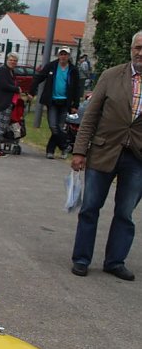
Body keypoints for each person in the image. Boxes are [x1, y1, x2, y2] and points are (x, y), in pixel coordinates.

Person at [69, 31, 142, 281]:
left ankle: (115, 261)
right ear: (131, 49)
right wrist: (80, 150)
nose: (140, 53)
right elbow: (90, 116)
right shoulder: (111, 75)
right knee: (90, 207)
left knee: (125, 212)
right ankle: (81, 258)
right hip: (102, 150)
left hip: (136, 158)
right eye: (137, 48)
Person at [29, 47, 79, 159]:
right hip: (52, 101)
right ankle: (65, 145)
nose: (63, 57)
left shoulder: (73, 70)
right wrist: (32, 91)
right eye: (61, 54)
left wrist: (75, 104)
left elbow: (76, 88)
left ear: (69, 56)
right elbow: (39, 77)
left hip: (65, 102)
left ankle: (50, 150)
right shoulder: (51, 66)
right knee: (53, 126)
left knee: (60, 127)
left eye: (65, 54)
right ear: (58, 55)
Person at [0, 53, 26, 157]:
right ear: (7, 60)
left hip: (9, 102)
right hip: (2, 102)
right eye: (11, 60)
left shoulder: (11, 72)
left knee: (3, 125)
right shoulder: (2, 70)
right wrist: (16, 89)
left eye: (15, 61)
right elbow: (3, 85)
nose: (13, 62)